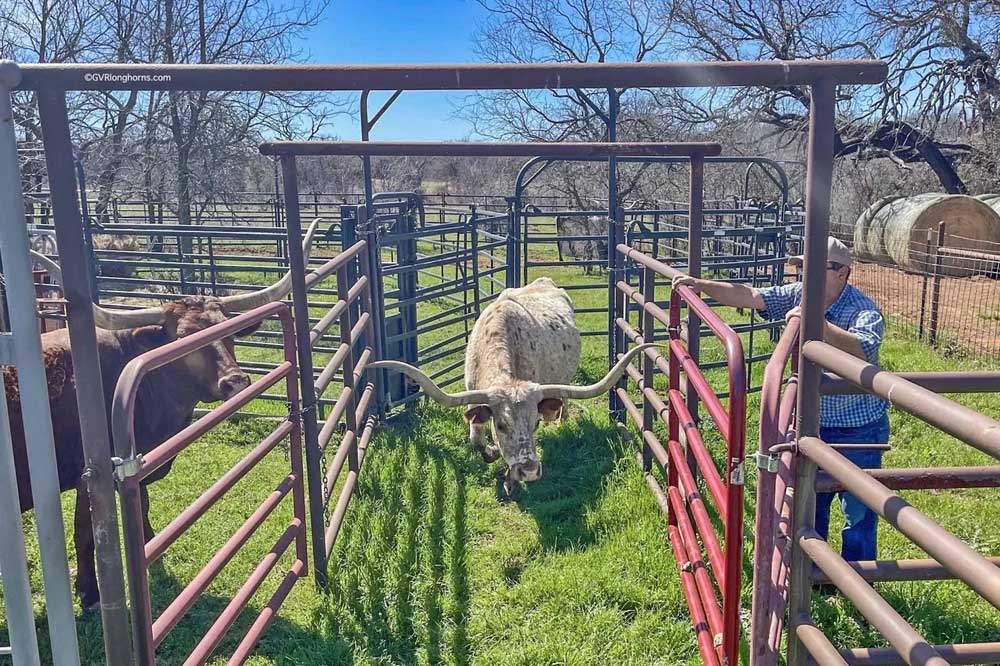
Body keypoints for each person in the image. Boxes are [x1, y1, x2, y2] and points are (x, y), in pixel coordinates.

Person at [672, 236, 889, 562]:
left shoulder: (863, 310)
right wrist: (700, 285)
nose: (808, 277)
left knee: (858, 506)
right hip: (813, 422)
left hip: (857, 426)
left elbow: (864, 349)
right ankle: (814, 574)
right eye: (804, 268)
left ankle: (857, 580)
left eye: (819, 269)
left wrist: (817, 323)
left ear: (843, 273)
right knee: (809, 502)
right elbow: (753, 296)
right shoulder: (802, 295)